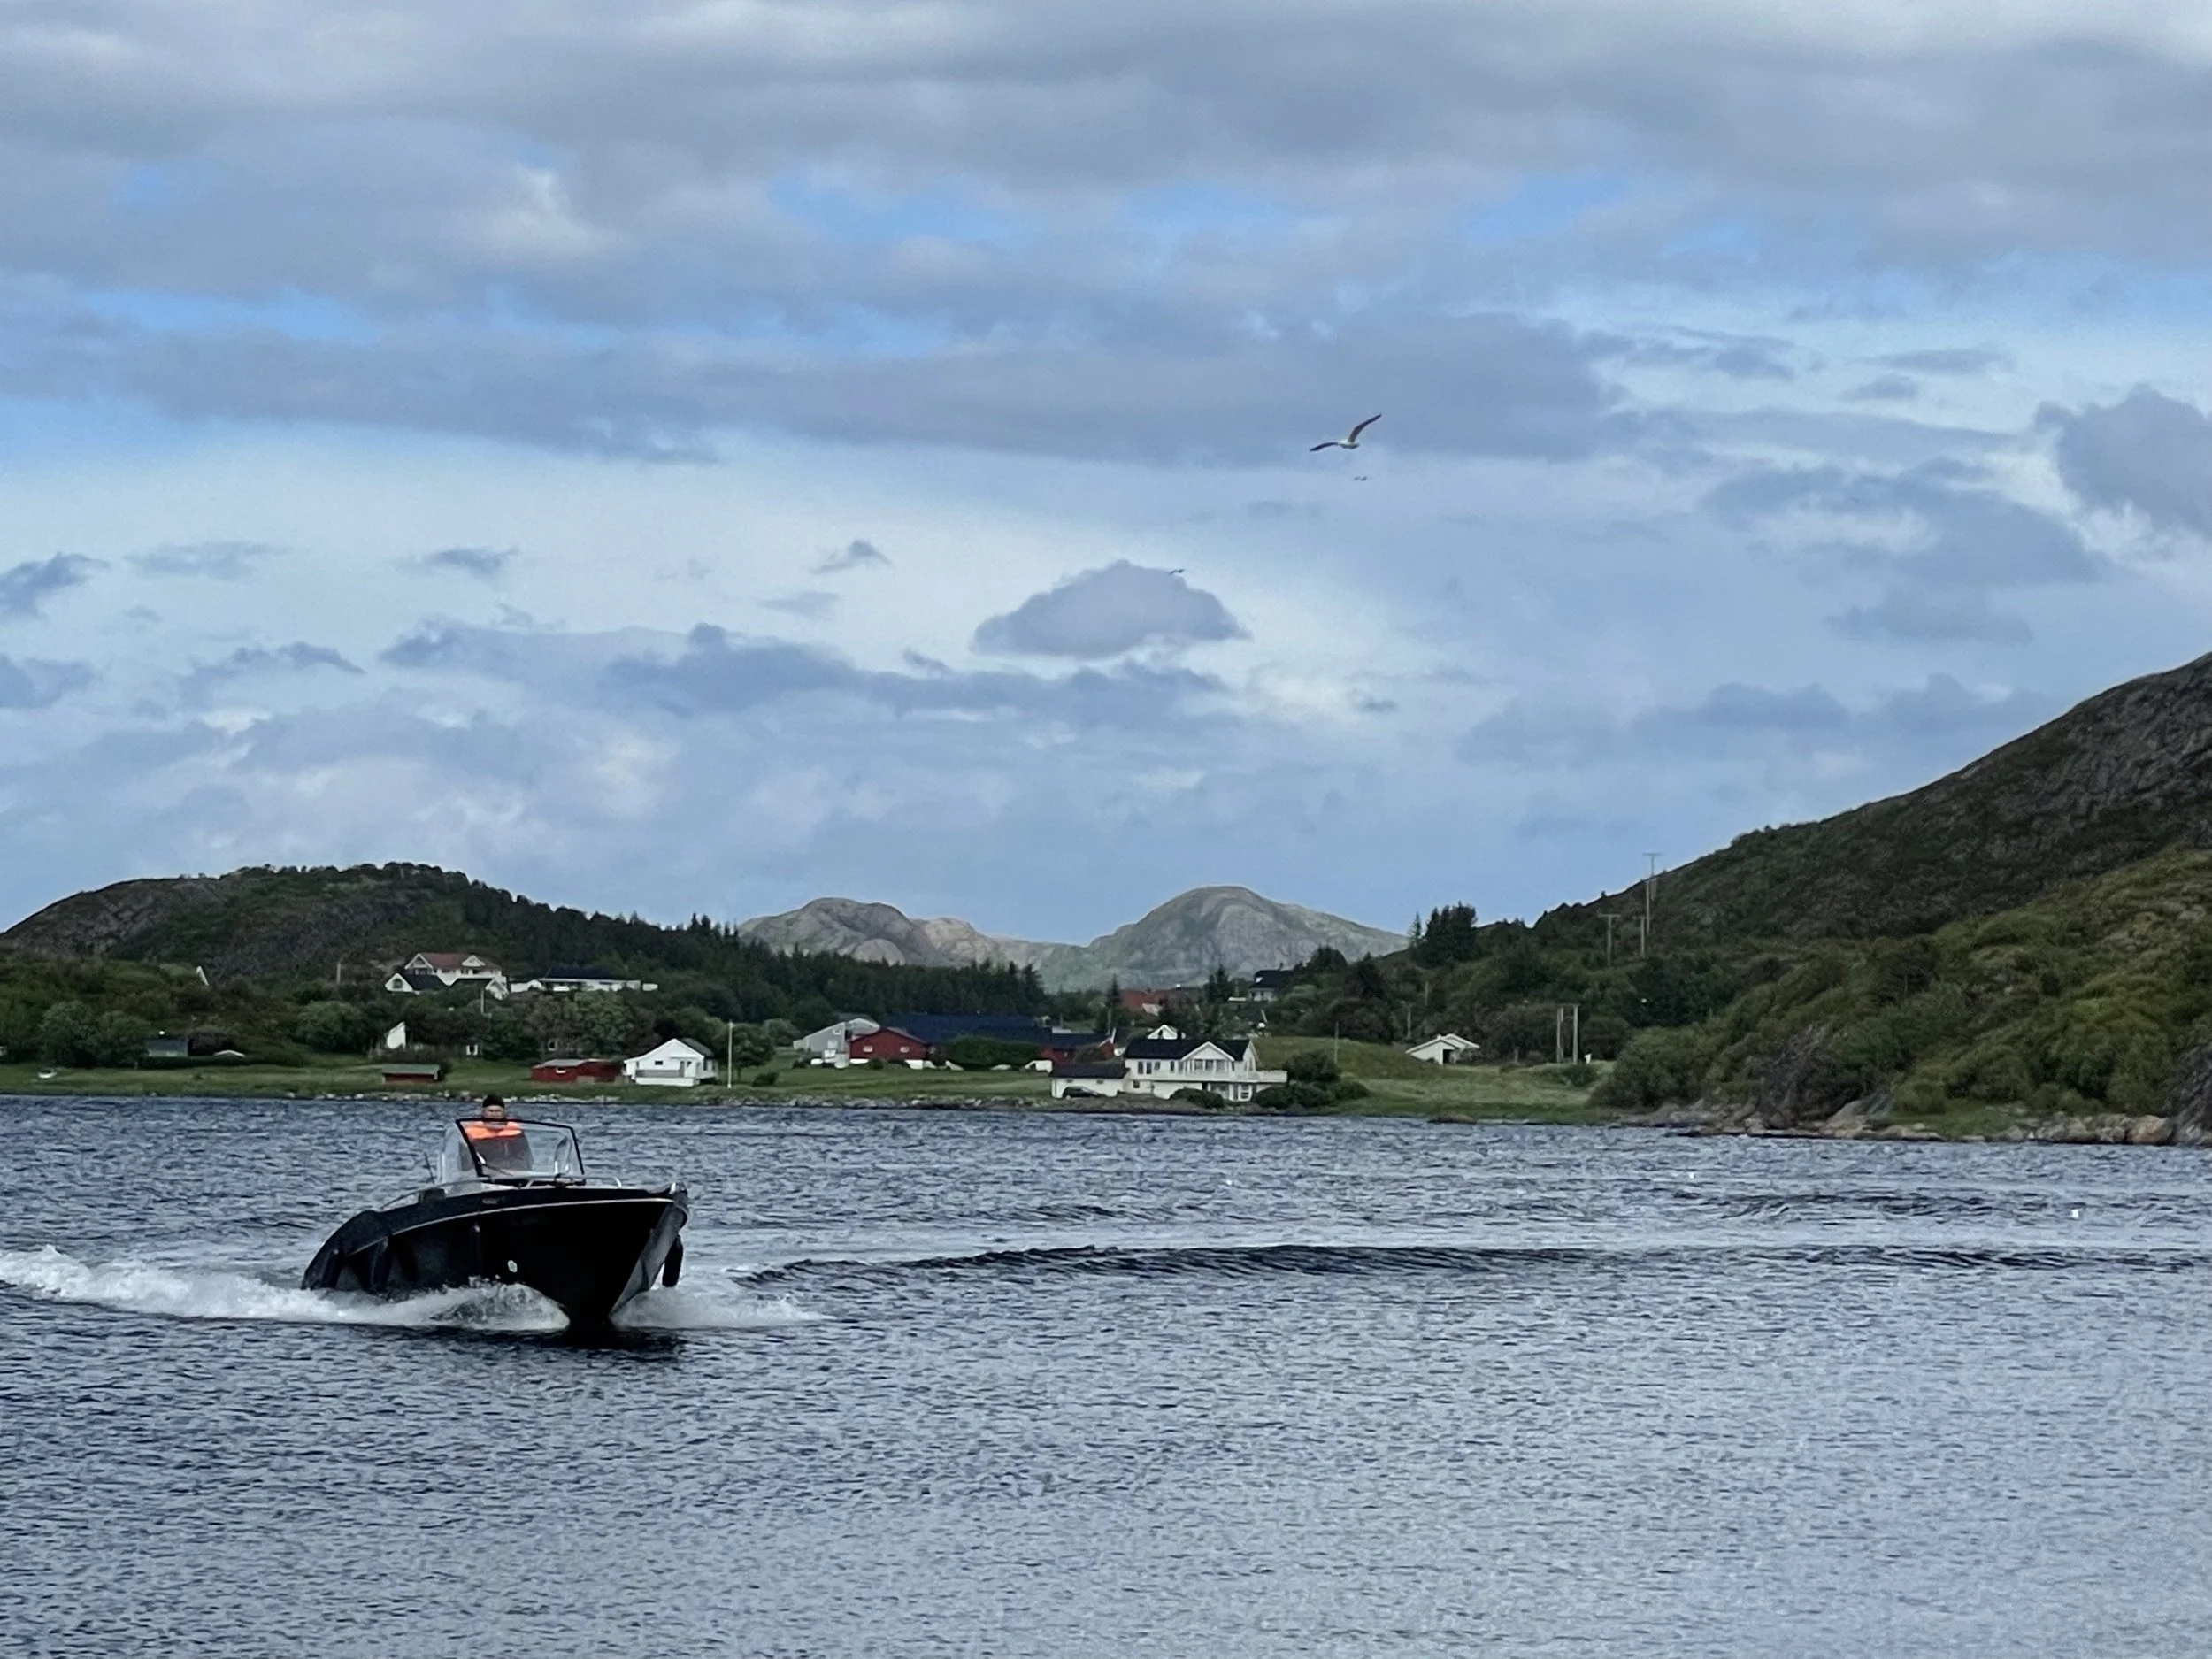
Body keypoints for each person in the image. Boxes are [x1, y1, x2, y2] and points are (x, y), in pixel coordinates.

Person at [461, 1094, 532, 1175]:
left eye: (498, 1111)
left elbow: (525, 1157)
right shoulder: (471, 1131)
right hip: (483, 1174)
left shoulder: (515, 1129)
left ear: (504, 1112)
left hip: (513, 1172)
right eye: (490, 1111)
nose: (494, 1114)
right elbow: (466, 1163)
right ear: (483, 1112)